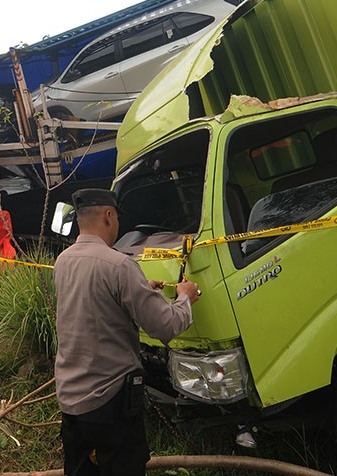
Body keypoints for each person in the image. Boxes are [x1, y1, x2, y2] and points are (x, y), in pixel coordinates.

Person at [54, 188, 200, 476]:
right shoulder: (120, 265)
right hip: (110, 401)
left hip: (71, 399)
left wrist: (141, 289)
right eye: (117, 217)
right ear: (108, 216)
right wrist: (185, 297)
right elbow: (166, 326)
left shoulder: (63, 261)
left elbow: (94, 304)